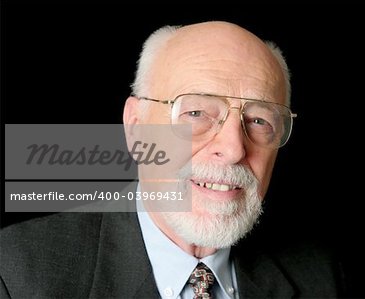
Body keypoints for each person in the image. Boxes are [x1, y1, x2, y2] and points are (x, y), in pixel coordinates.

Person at [1, 21, 345, 298]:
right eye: (196, 112)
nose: (234, 148)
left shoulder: (321, 274)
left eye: (259, 120)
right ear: (135, 127)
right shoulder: (17, 271)